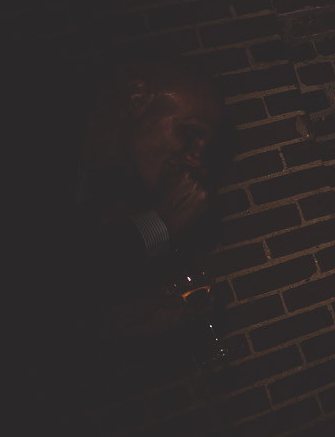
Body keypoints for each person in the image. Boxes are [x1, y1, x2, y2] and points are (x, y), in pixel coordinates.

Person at [71, 57, 225, 336]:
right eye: (189, 133)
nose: (197, 157)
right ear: (137, 100)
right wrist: (159, 223)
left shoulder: (108, 188)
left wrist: (119, 324)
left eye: (206, 146)